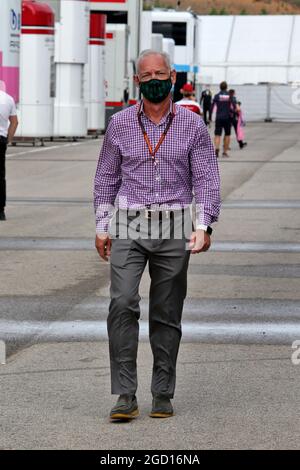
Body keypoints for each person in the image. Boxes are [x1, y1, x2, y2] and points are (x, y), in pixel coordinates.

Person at [94, 50, 220, 421]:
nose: (153, 79)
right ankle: (125, 393)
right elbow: (105, 178)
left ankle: (163, 392)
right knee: (122, 303)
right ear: (137, 81)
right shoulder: (119, 125)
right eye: (146, 74)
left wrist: (204, 225)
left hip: (175, 222)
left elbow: (207, 179)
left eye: (160, 73)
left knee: (166, 312)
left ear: (173, 76)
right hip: (128, 222)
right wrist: (102, 225)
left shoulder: (193, 125)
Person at [0, 84, 18, 221]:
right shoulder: (8, 99)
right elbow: (14, 122)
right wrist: (8, 139)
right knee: (0, 176)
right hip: (0, 140)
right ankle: (1, 211)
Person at [210, 81, 235, 158]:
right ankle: (225, 152)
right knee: (227, 135)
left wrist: (210, 117)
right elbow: (233, 106)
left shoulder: (217, 96)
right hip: (227, 118)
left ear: (220, 87)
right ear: (226, 87)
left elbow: (212, 107)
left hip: (219, 117)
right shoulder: (229, 96)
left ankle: (217, 149)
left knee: (217, 134)